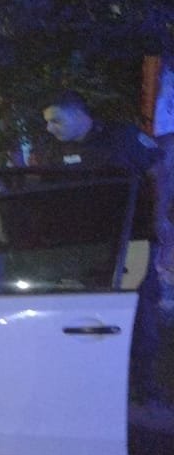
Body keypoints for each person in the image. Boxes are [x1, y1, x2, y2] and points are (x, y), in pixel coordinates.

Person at [42, 90, 172, 403]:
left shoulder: (123, 137)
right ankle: (98, 387)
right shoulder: (53, 152)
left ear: (77, 113)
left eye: (56, 120)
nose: (50, 129)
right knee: (88, 318)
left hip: (132, 242)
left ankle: (144, 390)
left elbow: (159, 171)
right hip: (84, 248)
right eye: (47, 123)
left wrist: (160, 218)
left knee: (139, 313)